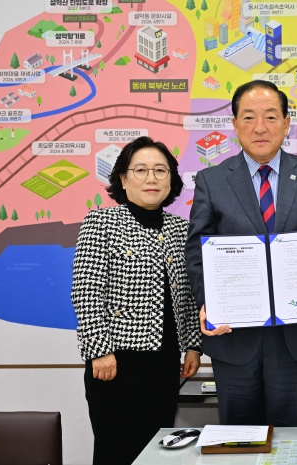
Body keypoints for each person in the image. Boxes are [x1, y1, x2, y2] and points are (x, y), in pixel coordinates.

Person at [185, 80, 297, 427]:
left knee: (290, 439)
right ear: (235, 124)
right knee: (237, 439)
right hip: (233, 334)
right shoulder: (212, 180)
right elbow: (196, 251)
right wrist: (209, 302)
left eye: (270, 117)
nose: (260, 127)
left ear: (286, 123)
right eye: (249, 117)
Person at [72, 136, 201, 465]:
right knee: (116, 452)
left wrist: (193, 346)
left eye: (160, 170)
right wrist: (99, 351)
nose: (151, 178)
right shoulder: (101, 223)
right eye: (140, 170)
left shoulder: (181, 229)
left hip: (165, 363)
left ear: (171, 179)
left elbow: (187, 295)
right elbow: (86, 291)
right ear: (123, 179)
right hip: (116, 364)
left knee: (159, 453)